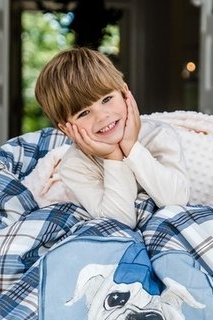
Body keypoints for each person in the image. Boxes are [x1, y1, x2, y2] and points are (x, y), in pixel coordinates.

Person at [35, 47, 190, 228]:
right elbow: (120, 222)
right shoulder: (74, 165)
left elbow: (176, 200)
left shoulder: (158, 134)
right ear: (66, 129)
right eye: (84, 112)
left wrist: (131, 147)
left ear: (125, 93)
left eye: (107, 99)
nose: (102, 116)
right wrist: (113, 157)